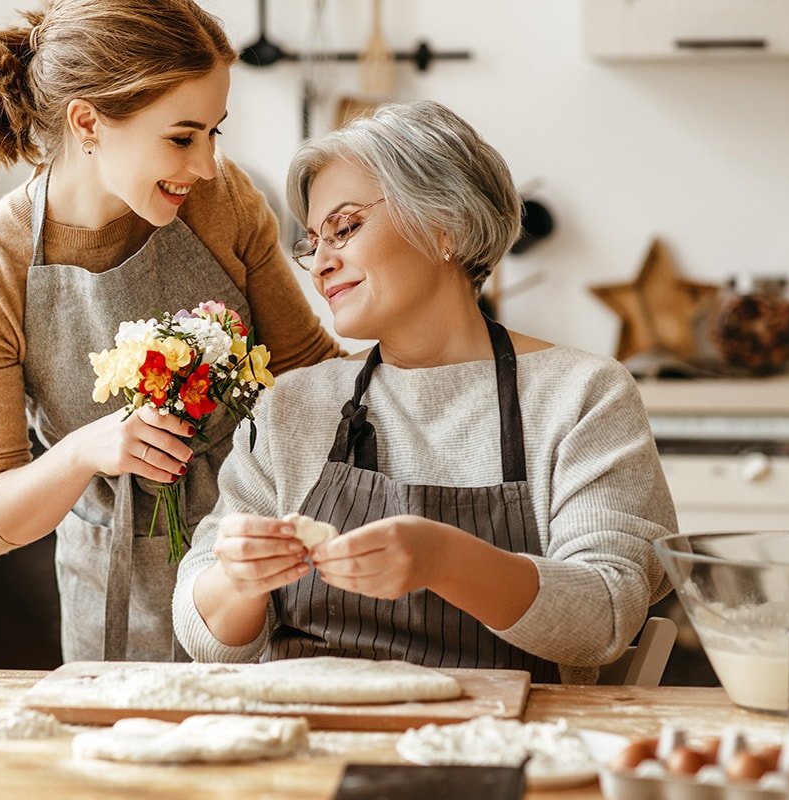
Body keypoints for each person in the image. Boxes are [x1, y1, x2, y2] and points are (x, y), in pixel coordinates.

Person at [172, 100, 677, 684]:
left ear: (447, 225)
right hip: (307, 726)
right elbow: (204, 634)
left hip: (505, 730)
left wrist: (444, 558)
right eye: (313, 242)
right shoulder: (291, 404)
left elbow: (605, 616)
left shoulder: (582, 395)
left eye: (345, 228)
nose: (320, 264)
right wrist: (238, 580)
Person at [0, 0, 341, 664]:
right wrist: (85, 452)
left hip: (259, 567)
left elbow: (311, 376)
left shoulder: (220, 200)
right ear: (88, 123)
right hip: (114, 601)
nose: (206, 164)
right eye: (182, 138)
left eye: (213, 133)